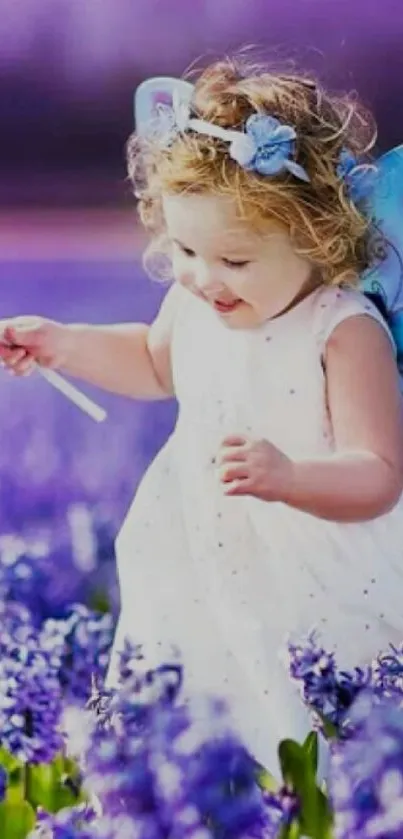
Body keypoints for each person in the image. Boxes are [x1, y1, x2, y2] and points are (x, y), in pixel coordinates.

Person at [2, 57, 403, 775]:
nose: (202, 276)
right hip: (202, 546)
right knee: (202, 686)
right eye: (185, 249)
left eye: (235, 259)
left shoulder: (345, 330)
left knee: (320, 711)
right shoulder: (195, 304)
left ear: (317, 238)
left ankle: (325, 802)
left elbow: (377, 474)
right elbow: (156, 365)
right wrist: (64, 343)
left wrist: (291, 475)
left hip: (320, 562)